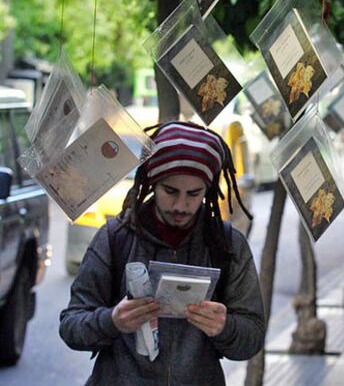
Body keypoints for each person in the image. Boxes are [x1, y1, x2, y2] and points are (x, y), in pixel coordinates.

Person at [59, 121, 265, 386]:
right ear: (153, 183)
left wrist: (225, 328)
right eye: (170, 191)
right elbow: (71, 325)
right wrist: (112, 321)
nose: (181, 205)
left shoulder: (227, 245)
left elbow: (252, 338)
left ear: (208, 190)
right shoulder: (115, 237)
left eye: (194, 194)